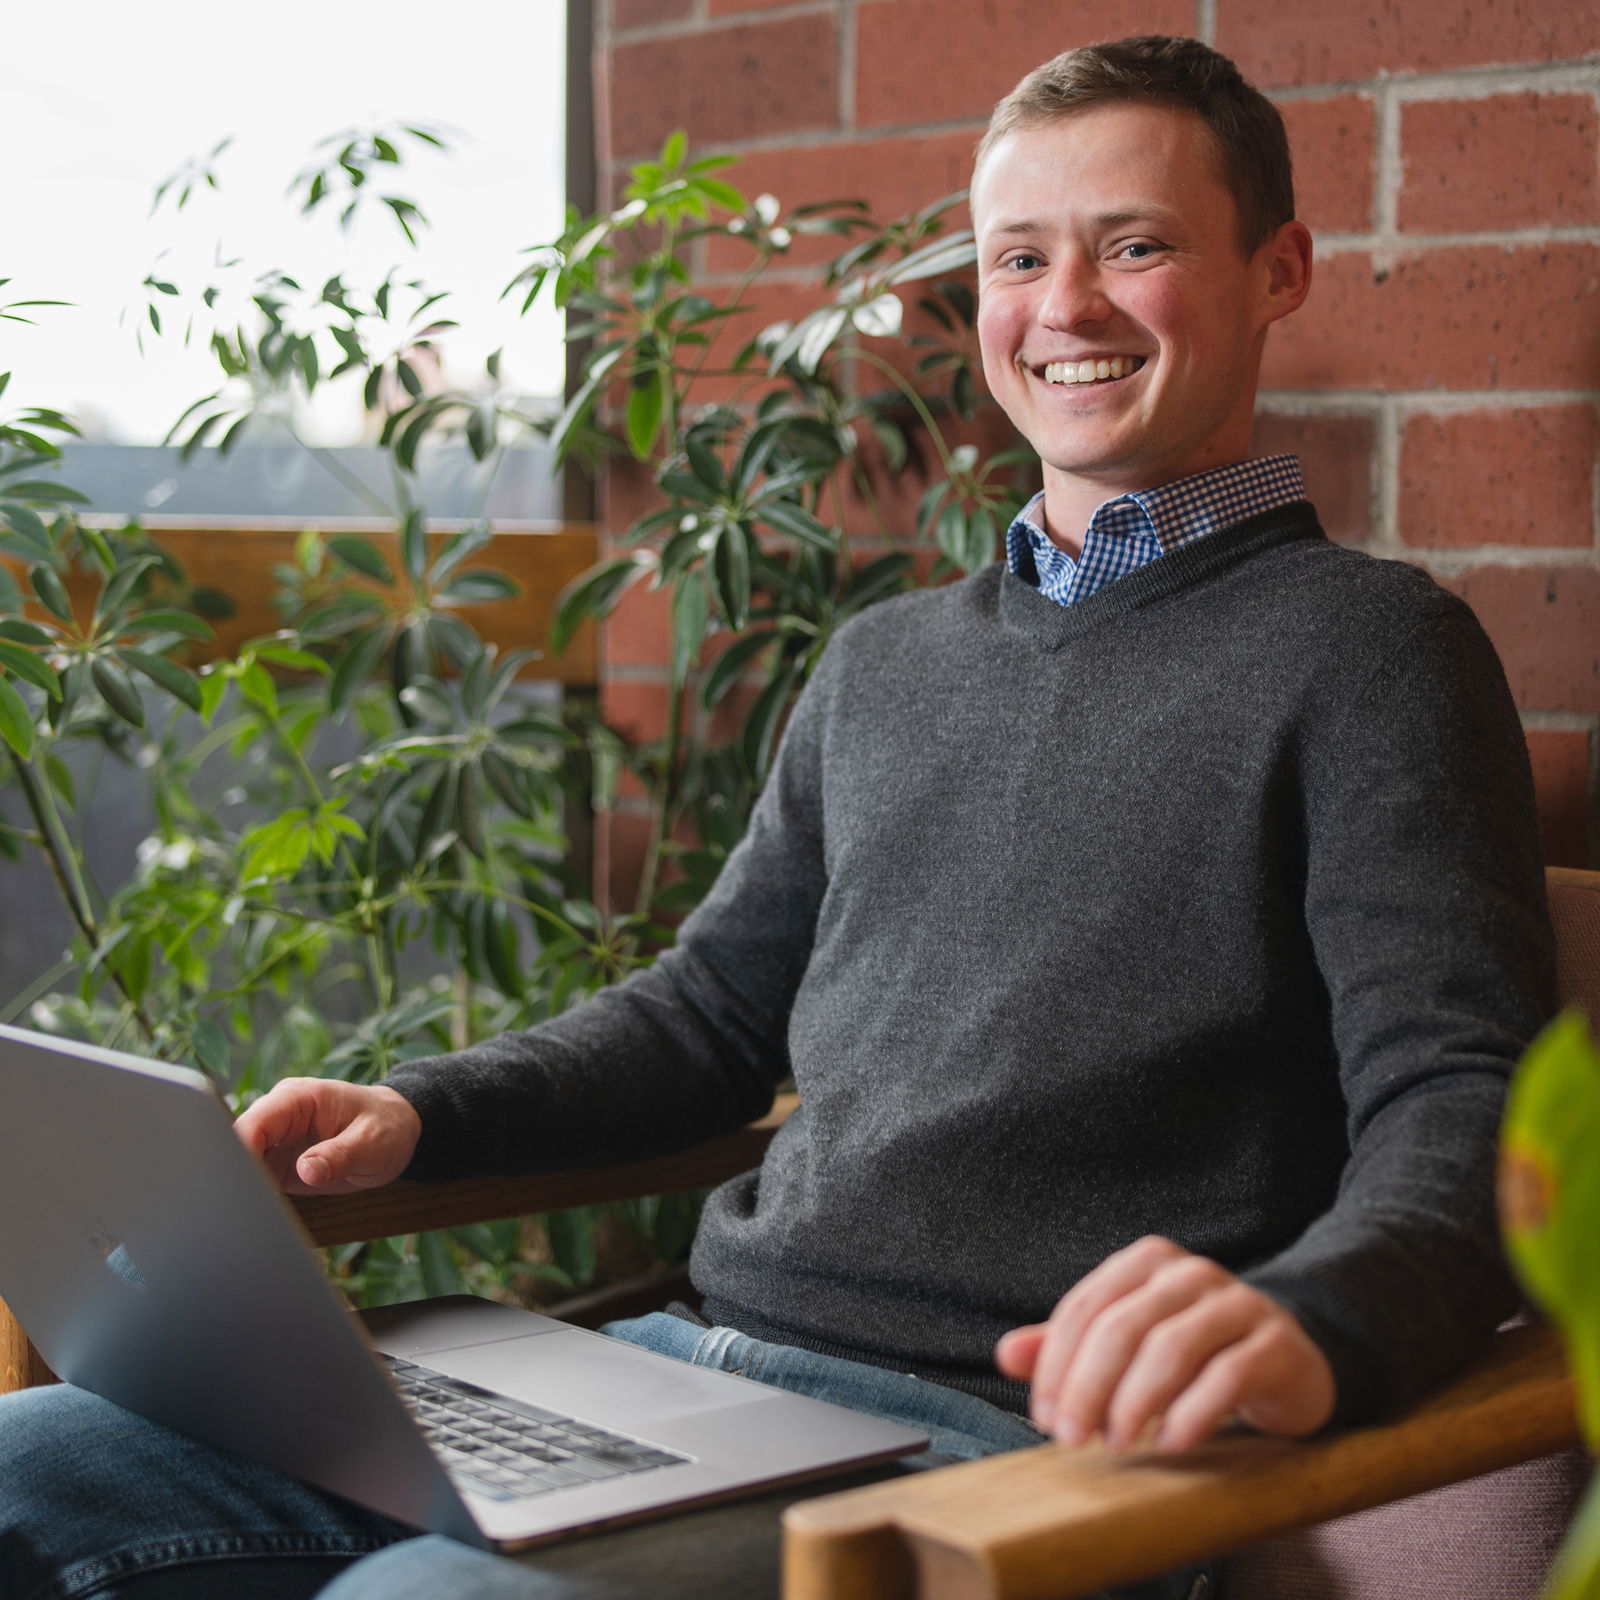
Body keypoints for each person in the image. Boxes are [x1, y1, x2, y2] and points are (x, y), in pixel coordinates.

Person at [0, 34, 1555, 1600]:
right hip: (679, 1377)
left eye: (1133, 246)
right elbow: (708, 1014)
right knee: (33, 1462)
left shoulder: (1372, 654)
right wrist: (425, 1115)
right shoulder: (886, 660)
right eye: (1019, 258)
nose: (1064, 307)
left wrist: (1316, 1323)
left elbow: (1463, 1104)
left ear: (1278, 268)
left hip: (993, 1460)